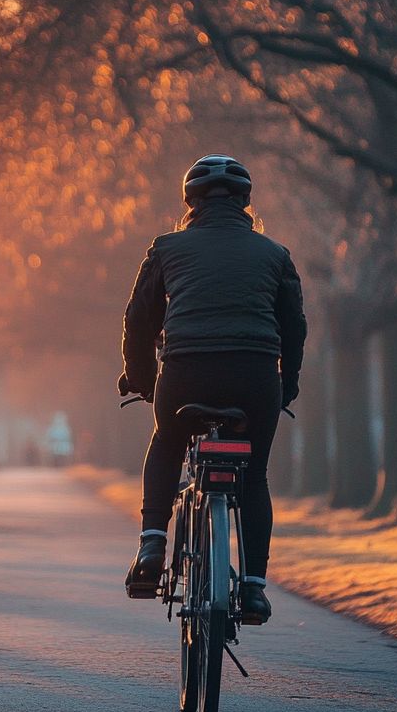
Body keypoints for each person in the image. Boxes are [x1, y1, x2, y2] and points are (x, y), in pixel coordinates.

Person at [117, 154, 306, 624]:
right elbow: (294, 328)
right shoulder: (276, 254)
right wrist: (286, 387)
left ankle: (152, 546)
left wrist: (140, 378)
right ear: (246, 202)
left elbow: (139, 322)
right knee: (255, 475)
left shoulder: (165, 248)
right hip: (255, 376)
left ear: (190, 204)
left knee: (165, 441)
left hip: (185, 373)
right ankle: (256, 589)